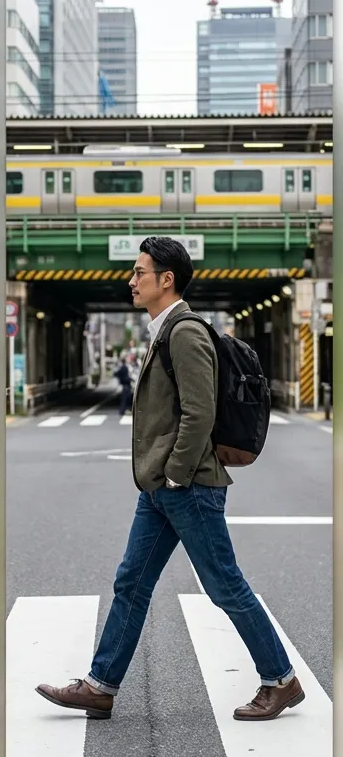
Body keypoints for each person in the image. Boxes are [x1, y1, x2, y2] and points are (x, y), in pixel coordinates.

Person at [36, 236, 303, 722]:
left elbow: (199, 412)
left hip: (188, 487)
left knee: (224, 586)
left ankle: (280, 680)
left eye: (139, 272)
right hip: (162, 488)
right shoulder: (165, 330)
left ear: (166, 279)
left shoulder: (185, 332)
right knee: (131, 583)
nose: (131, 280)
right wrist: (164, 478)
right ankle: (100, 686)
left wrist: (177, 473)